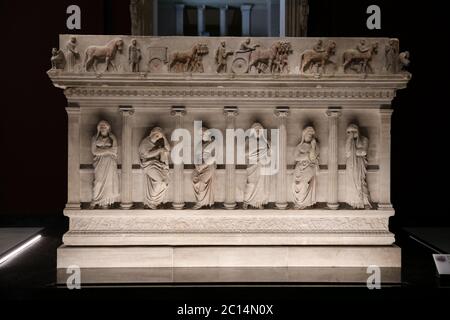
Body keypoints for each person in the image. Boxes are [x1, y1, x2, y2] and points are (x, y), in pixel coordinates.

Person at [90, 121, 120, 209]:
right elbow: (94, 151)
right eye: (101, 126)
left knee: (109, 183)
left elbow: (114, 151)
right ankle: (96, 199)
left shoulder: (112, 138)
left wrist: (105, 151)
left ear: (108, 128)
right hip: (99, 163)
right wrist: (108, 150)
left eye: (104, 127)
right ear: (98, 128)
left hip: (110, 163)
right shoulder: (95, 138)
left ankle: (105, 203)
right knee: (98, 182)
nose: (103, 128)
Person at [139, 127, 171, 209]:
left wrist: (163, 137)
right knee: (160, 181)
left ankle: (157, 201)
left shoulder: (159, 141)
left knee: (165, 182)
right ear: (152, 134)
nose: (157, 137)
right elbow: (145, 155)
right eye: (156, 135)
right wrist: (159, 150)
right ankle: (151, 202)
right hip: (149, 165)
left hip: (159, 165)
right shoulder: (145, 142)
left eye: (159, 136)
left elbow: (168, 149)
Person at [243, 123, 270, 209]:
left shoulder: (264, 141)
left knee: (261, 185)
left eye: (259, 130)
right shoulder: (249, 140)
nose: (258, 131)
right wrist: (256, 151)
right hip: (252, 165)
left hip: (261, 165)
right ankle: (246, 201)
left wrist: (268, 147)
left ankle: (258, 203)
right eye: (256, 130)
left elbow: (269, 153)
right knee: (251, 184)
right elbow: (245, 153)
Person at [345, 124, 371, 209]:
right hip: (351, 165)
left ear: (357, 131)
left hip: (360, 164)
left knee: (361, 181)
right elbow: (347, 153)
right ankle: (355, 203)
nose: (351, 134)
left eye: (353, 131)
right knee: (351, 183)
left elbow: (364, 152)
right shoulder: (348, 141)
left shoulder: (364, 139)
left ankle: (365, 202)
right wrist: (350, 140)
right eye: (349, 132)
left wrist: (353, 151)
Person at [292, 126, 319, 209]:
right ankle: (299, 202)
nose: (310, 136)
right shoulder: (299, 146)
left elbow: (313, 157)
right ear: (304, 135)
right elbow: (296, 157)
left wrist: (313, 146)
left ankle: (304, 203)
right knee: (297, 184)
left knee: (304, 184)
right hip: (299, 169)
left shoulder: (314, 146)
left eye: (311, 134)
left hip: (309, 168)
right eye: (308, 134)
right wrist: (307, 156)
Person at [192, 128, 216, 209]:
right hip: (199, 166)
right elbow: (195, 156)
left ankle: (200, 203)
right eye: (201, 134)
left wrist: (203, 165)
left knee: (201, 182)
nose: (202, 136)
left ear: (207, 134)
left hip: (208, 166)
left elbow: (213, 157)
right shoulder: (199, 144)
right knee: (194, 179)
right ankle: (201, 201)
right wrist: (196, 165)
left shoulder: (213, 143)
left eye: (203, 134)